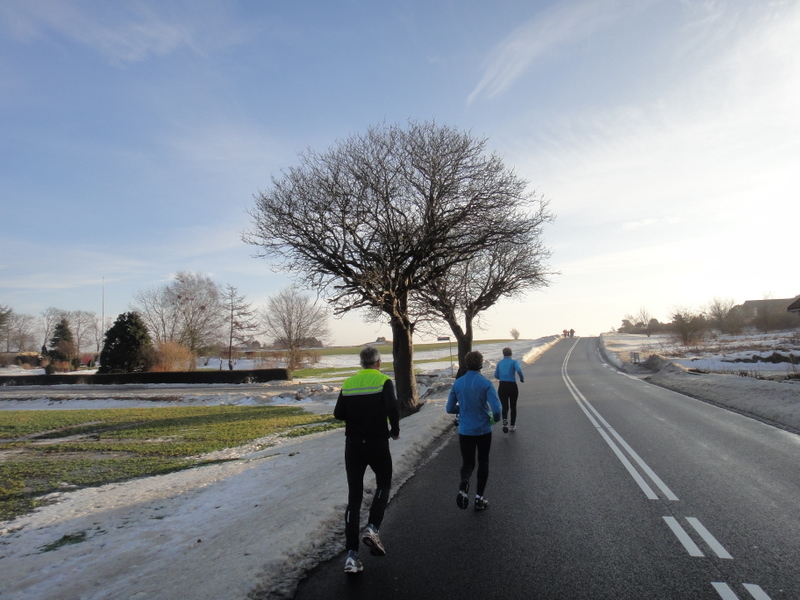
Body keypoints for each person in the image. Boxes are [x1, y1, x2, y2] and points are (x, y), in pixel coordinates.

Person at [333, 346, 400, 575]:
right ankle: (372, 527)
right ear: (378, 362)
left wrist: (357, 413)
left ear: (361, 363)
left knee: (354, 496)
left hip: (353, 445)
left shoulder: (348, 383)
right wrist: (395, 428)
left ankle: (351, 556)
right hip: (377, 442)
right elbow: (392, 406)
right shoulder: (384, 381)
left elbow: (338, 414)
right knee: (383, 482)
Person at [446, 350, 502, 511]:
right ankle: (479, 498)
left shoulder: (458, 383)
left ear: (466, 364)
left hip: (465, 430)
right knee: (483, 461)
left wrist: (463, 409)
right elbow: (497, 409)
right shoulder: (486, 383)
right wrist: (495, 420)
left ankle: (464, 483)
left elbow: (449, 408)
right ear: (481, 364)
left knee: (468, 462)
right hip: (483, 429)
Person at [493, 347, 525, 433]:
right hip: (512, 385)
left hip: (502, 385)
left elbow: (495, 375)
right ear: (511, 353)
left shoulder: (499, 363)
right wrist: (521, 378)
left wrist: (502, 377)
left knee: (504, 406)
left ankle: (504, 422)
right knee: (513, 406)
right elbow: (518, 370)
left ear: (503, 354)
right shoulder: (514, 362)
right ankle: (512, 425)